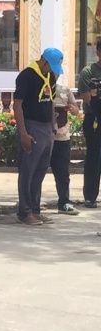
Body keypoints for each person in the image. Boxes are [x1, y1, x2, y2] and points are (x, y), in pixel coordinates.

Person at [12, 48, 64, 225]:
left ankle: (35, 209)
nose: (53, 71)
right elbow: (17, 105)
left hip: (46, 127)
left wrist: (53, 125)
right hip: (31, 125)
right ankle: (24, 211)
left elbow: (51, 102)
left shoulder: (50, 77)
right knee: (28, 170)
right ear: (44, 61)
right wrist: (23, 132)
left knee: (40, 170)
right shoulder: (27, 75)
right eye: (51, 66)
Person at [51, 74, 81, 215]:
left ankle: (64, 202)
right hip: (45, 137)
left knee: (63, 173)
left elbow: (76, 111)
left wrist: (71, 108)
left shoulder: (64, 90)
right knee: (37, 172)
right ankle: (32, 205)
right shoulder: (40, 89)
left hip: (62, 137)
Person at [77, 39, 101, 208]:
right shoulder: (88, 72)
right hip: (94, 118)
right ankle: (90, 196)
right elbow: (87, 98)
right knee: (94, 156)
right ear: (98, 52)